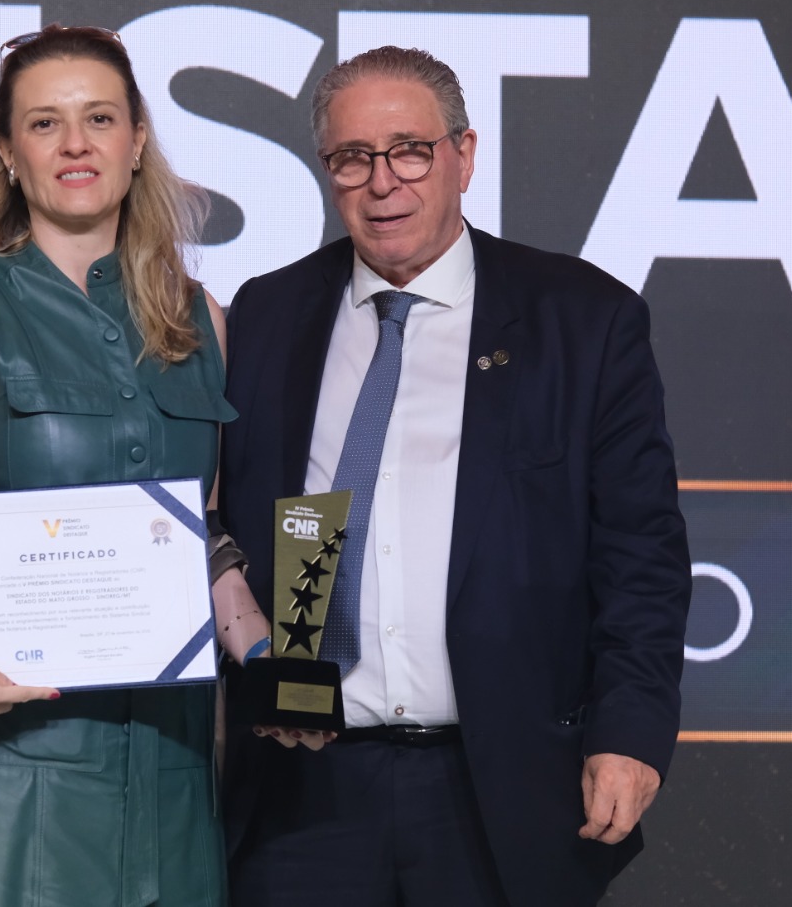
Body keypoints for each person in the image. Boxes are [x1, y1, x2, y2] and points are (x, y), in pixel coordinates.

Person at [218, 46, 692, 906]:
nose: (382, 183)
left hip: (500, 788)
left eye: (409, 151)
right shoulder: (269, 313)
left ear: (463, 156)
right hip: (304, 791)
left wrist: (629, 732)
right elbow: (235, 517)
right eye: (352, 158)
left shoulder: (583, 320)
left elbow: (642, 556)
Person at [0, 24, 273, 907]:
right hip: (16, 767)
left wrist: (267, 659)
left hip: (176, 768)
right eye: (45, 123)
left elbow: (203, 540)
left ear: (137, 141)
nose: (76, 143)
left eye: (99, 118)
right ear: (9, 153)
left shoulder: (201, 320)